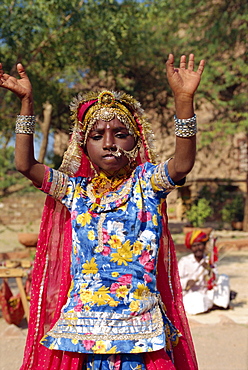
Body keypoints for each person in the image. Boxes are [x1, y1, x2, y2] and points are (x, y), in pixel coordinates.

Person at [0, 53, 204, 370]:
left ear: (136, 142)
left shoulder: (147, 184)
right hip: (83, 331)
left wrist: (184, 100)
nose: (109, 142)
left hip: (140, 332)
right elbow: (25, 165)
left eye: (120, 134)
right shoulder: (75, 191)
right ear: (83, 146)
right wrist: (27, 103)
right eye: (97, 136)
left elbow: (183, 164)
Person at [178, 230, 231, 315]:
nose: (198, 248)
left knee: (224, 278)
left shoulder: (208, 260)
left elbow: (215, 280)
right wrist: (187, 282)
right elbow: (175, 281)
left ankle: (216, 304)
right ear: (191, 248)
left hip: (207, 293)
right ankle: (211, 305)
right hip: (191, 294)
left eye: (200, 245)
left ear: (204, 245)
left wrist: (209, 269)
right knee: (198, 299)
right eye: (194, 246)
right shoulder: (184, 261)